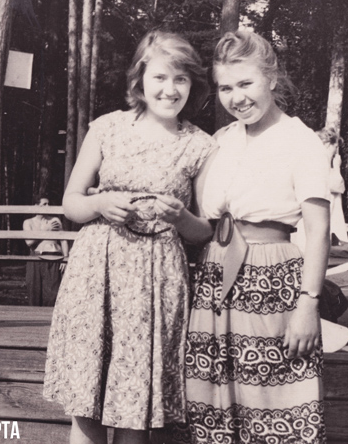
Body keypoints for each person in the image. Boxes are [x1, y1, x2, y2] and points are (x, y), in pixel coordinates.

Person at [43, 30, 215, 444]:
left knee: (136, 405)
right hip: (96, 273)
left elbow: (204, 230)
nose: (170, 89)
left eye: (180, 79)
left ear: (192, 85)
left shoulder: (201, 146)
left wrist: (182, 217)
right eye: (160, 77)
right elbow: (71, 203)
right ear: (140, 79)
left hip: (156, 282)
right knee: (87, 399)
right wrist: (100, 204)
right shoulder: (107, 128)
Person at [175, 31, 331, 444]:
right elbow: (206, 224)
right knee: (213, 401)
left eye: (246, 83)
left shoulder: (301, 141)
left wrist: (308, 305)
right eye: (226, 88)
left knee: (275, 401)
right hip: (215, 280)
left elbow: (318, 230)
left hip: (272, 281)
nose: (236, 98)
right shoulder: (220, 141)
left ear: (272, 79)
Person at [23, 195, 67, 306]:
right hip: (36, 257)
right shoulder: (29, 222)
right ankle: (34, 316)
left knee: (52, 294)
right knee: (34, 292)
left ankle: (49, 315)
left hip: (54, 257)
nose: (48, 206)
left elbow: (63, 240)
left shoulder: (54, 220)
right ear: (36, 206)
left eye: (48, 204)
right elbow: (29, 242)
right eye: (44, 204)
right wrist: (45, 230)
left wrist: (65, 258)